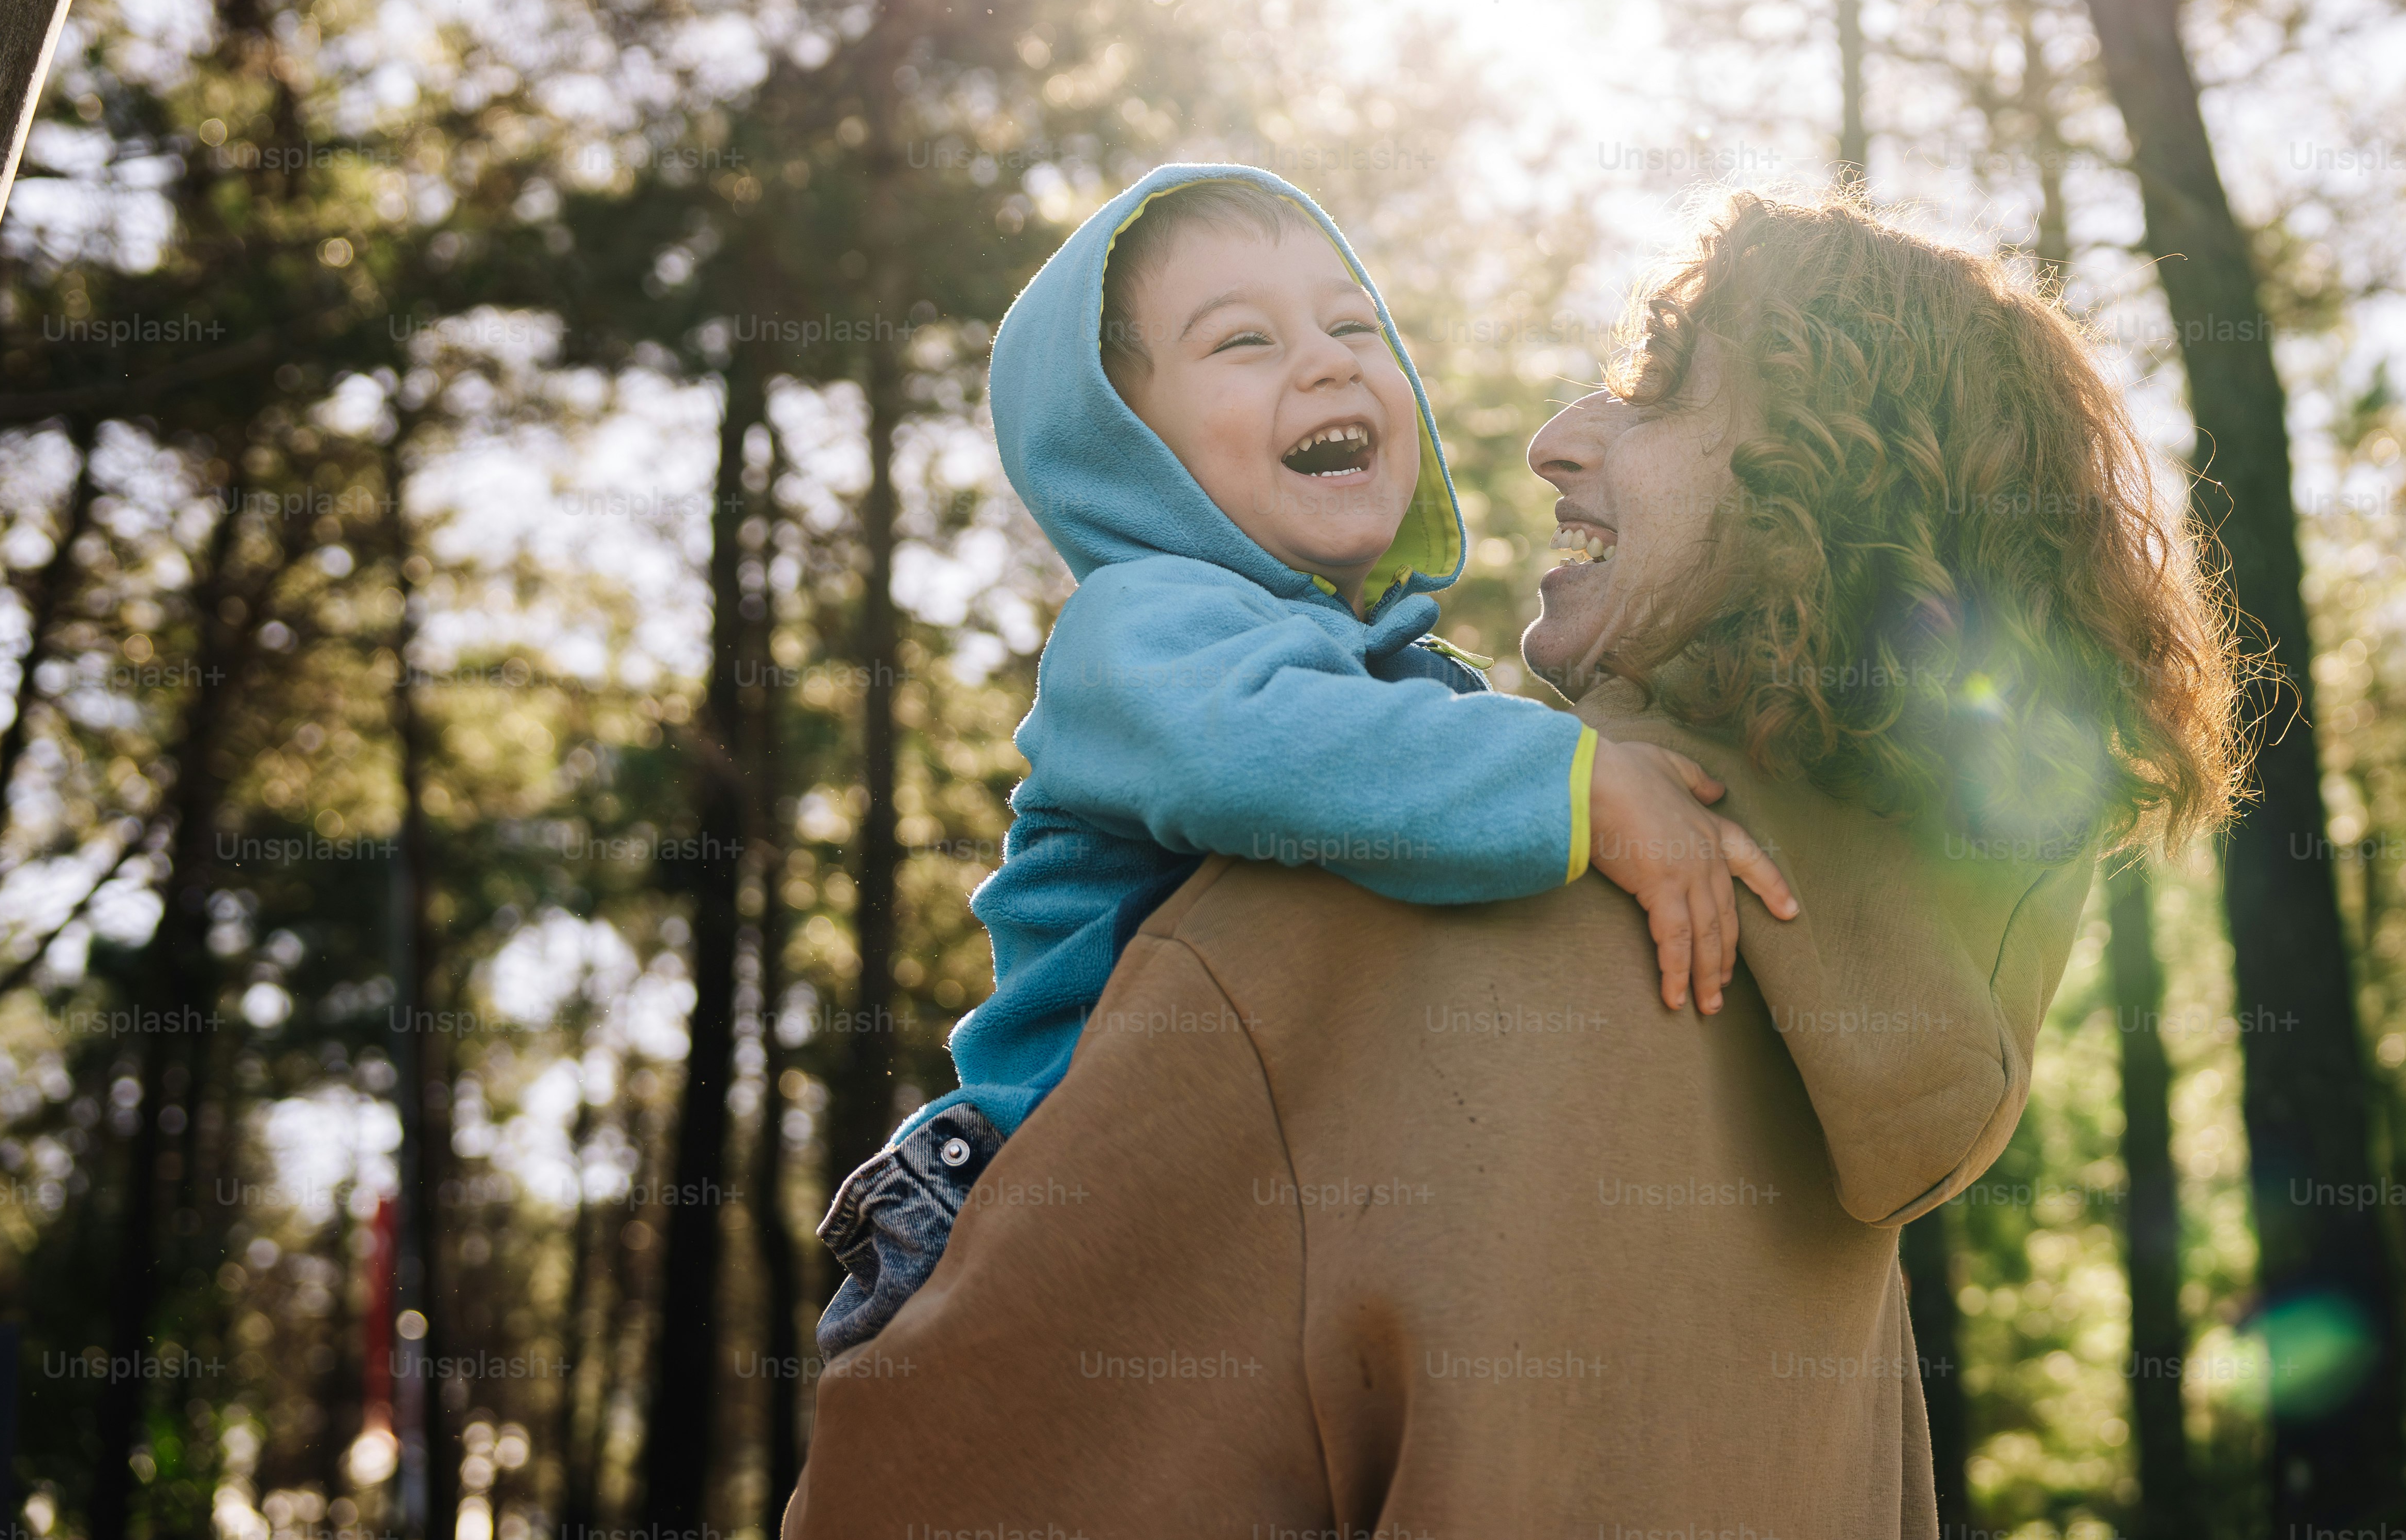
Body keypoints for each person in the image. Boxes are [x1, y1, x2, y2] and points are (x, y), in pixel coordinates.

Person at [789, 190, 2246, 1539]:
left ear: (1832, 477)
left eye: (1661, 387)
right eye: (1241, 343)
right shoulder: (1849, 1070)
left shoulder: (1397, 922)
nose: (1554, 437)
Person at [812, 163, 1794, 1354]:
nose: (1329, 363)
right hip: (1028, 1193)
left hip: (1246, 1205)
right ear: (1124, 448)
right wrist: (1579, 784)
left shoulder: (1409, 686)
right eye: (1244, 341)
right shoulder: (1142, 629)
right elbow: (1257, 754)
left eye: (1354, 326)